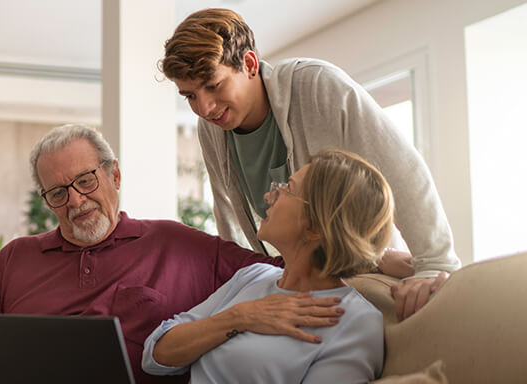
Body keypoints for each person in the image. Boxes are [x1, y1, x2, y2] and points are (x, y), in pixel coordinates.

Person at [0, 124, 346, 384]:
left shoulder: (179, 244)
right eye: (58, 192)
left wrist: (381, 264)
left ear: (114, 175)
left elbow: (289, 269)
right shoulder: (16, 257)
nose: (76, 201)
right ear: (48, 200)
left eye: (85, 181)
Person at [161, 8, 459, 321]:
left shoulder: (317, 85)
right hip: (293, 284)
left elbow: (402, 168)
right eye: (190, 96)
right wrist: (242, 293)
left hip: (361, 276)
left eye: (213, 85)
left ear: (248, 64)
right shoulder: (212, 130)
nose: (204, 107)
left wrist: (434, 264)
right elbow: (229, 221)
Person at [143, 150, 392, 383]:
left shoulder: (356, 321)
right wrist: (240, 317)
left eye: (288, 189)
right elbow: (156, 355)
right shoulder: (254, 276)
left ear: (317, 226)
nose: (268, 196)